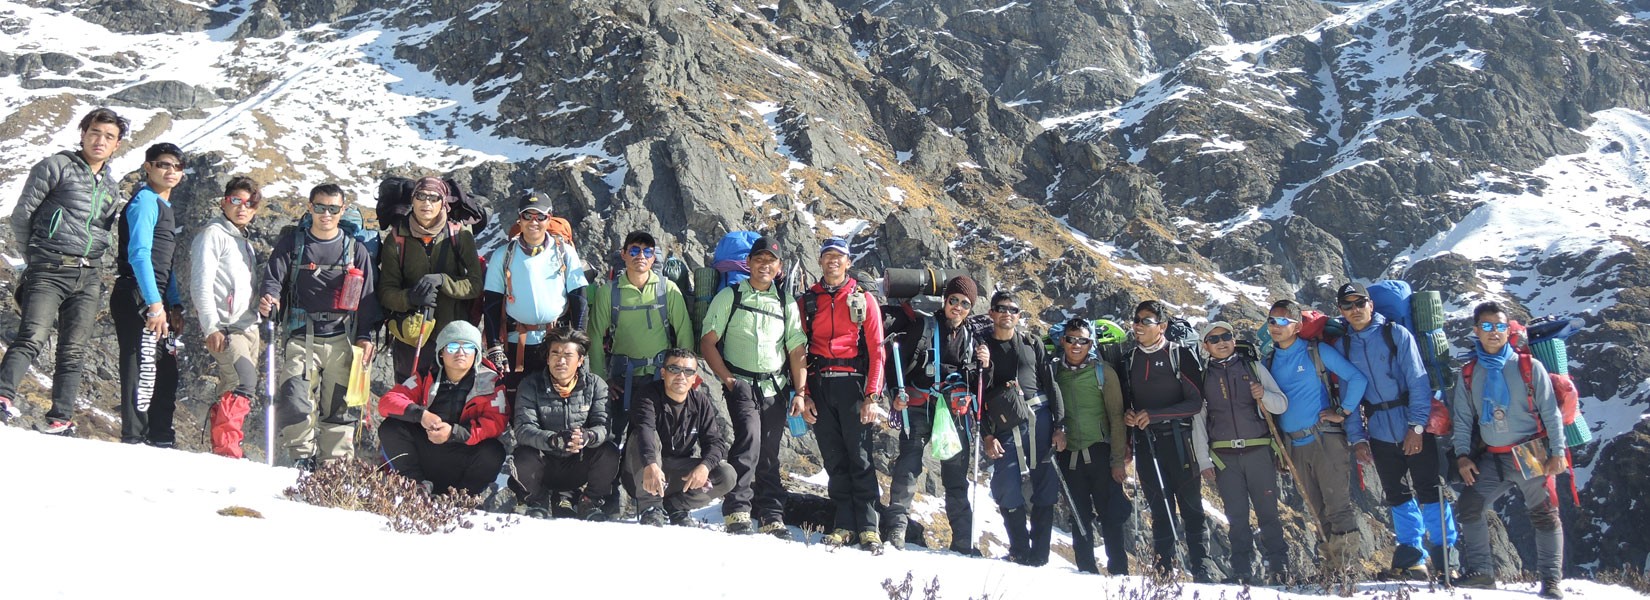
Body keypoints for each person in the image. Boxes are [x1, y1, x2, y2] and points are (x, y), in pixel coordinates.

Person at [0, 108, 128, 434]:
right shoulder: (55, 166)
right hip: (48, 267)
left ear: (117, 145)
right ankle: (3, 398)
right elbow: (21, 215)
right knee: (32, 336)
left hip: (88, 275)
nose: (100, 140)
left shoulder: (111, 187)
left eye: (108, 137)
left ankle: (61, 419)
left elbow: (102, 232)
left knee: (74, 350)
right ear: (83, 133)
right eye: (94, 132)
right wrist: (38, 256)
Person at [1335, 282, 1454, 579]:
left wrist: (1416, 427)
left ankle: (1446, 559)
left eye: (1359, 302)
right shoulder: (1344, 346)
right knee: (1397, 494)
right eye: (1347, 305)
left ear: (1370, 304)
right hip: (1378, 432)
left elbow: (1418, 382)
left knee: (1430, 491)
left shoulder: (1396, 334)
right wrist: (1357, 438)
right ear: (1341, 311)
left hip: (1412, 426)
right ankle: (1413, 559)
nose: (1355, 309)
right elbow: (1349, 397)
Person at [258, 184, 379, 469]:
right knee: (295, 399)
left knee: (338, 407)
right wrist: (270, 299)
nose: (326, 214)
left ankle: (332, 469)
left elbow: (368, 298)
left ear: (342, 209)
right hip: (301, 337)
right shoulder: (293, 244)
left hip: (342, 338)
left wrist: (365, 336)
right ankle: (302, 458)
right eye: (320, 207)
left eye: (333, 208)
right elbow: (273, 278)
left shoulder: (356, 250)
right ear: (310, 207)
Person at [1452, 302, 1566, 599]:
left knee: (1544, 514)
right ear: (1476, 331)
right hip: (1491, 455)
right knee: (1470, 506)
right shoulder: (1468, 374)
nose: (1494, 332)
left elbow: (1550, 412)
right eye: (1487, 326)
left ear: (1508, 330)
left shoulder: (1528, 367)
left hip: (1530, 452)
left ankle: (1551, 581)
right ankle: (1482, 573)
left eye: (1500, 326)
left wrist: (1558, 451)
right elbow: (1463, 419)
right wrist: (1463, 456)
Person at [700, 236, 808, 536]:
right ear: (748, 263)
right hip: (741, 384)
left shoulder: (785, 303)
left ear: (779, 266)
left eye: (770, 260)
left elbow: (797, 349)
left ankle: (771, 514)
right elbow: (708, 341)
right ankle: (737, 510)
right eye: (759, 259)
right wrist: (728, 379)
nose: (764, 264)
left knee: (770, 448)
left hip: (776, 386)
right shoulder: (730, 296)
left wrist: (799, 392)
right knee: (749, 438)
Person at [1263, 299, 1369, 575]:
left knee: (1337, 505)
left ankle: (1347, 570)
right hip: (1293, 445)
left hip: (1325, 440)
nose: (1275, 326)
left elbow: (1357, 379)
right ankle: (1331, 569)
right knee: (1317, 510)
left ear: (1297, 326)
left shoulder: (1316, 352)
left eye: (1283, 321)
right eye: (1272, 320)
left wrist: (1342, 412)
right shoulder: (1269, 360)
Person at [885, 275, 989, 555]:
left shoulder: (974, 339)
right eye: (953, 300)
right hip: (919, 406)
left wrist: (985, 365)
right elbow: (894, 363)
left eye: (964, 303)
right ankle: (896, 530)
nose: (957, 307)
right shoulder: (923, 326)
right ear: (945, 301)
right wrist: (895, 393)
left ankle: (963, 542)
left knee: (956, 479)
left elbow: (982, 382)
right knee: (907, 468)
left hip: (955, 415)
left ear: (970, 307)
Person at [796, 237, 887, 551]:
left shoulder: (864, 299)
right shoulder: (808, 301)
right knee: (835, 460)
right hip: (820, 387)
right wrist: (805, 395)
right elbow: (800, 352)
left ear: (849, 263)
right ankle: (844, 525)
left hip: (854, 386)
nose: (833, 260)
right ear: (820, 262)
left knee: (860, 458)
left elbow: (877, 350)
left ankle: (869, 528)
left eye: (840, 256)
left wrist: (872, 396)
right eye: (827, 256)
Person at [1120, 300, 1210, 581]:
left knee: (1192, 508)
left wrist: (1154, 415)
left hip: (1180, 444)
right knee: (1160, 511)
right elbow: (1127, 404)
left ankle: (1202, 571)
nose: (1138, 325)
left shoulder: (1179, 355)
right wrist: (1130, 417)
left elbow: (1195, 402)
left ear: (1162, 326)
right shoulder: (1129, 359)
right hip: (1147, 445)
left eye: (1146, 321)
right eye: (1136, 320)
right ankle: (1163, 574)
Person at [1194, 320, 1288, 584]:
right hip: (1224, 458)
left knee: (1268, 512)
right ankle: (1242, 573)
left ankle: (1280, 571)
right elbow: (1198, 423)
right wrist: (1203, 460)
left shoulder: (1254, 368)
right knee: (1237, 517)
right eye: (1214, 339)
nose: (1221, 342)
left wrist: (1264, 395)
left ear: (1234, 340)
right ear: (1205, 346)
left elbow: (1280, 404)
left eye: (1226, 336)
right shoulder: (1202, 377)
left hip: (1258, 451)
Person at [586, 230, 692, 454]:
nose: (640, 255)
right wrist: (601, 380)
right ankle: (608, 487)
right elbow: (594, 335)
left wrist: (684, 374)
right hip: (621, 379)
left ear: (653, 257)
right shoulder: (609, 292)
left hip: (660, 377)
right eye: (634, 250)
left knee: (651, 438)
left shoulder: (668, 289)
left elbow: (684, 332)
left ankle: (646, 487)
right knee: (610, 439)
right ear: (623, 254)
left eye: (647, 251)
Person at [980, 291, 1065, 566]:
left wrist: (1059, 425)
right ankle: (1020, 550)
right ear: (991, 313)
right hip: (1005, 426)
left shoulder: (1032, 342)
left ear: (1019, 315)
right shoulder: (981, 348)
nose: (1007, 313)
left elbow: (1051, 385)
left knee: (1045, 484)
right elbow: (977, 396)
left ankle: (1039, 556)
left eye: (1013, 309)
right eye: (1001, 308)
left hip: (1040, 418)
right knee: (1006, 485)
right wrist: (987, 435)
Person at [377, 321, 509, 495]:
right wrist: (421, 415)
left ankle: (462, 498)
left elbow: (496, 423)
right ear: (441, 352)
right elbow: (388, 401)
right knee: (391, 428)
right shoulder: (425, 376)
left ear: (476, 353)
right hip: (427, 449)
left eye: (468, 347)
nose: (461, 353)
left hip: (463, 452)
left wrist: (454, 432)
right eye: (453, 346)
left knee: (493, 452)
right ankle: (415, 487)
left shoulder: (491, 382)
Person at [112, 143, 187, 447]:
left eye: (177, 167)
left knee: (163, 370)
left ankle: (159, 437)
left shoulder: (162, 205)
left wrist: (175, 303)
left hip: (157, 298)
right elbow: (140, 254)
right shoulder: (145, 201)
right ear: (148, 167)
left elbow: (163, 264)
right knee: (141, 367)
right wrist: (154, 304)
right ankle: (135, 439)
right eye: (163, 165)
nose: (171, 171)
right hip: (138, 294)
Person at [378, 177, 484, 382]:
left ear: (443, 202)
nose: (427, 203)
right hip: (411, 334)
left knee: (447, 400)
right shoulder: (397, 238)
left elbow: (475, 284)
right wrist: (410, 297)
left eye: (434, 198)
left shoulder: (459, 235)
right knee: (409, 397)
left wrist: (444, 281)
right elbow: (385, 291)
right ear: (413, 199)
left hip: (452, 336)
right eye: (421, 196)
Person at [511, 328, 616, 520]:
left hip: (579, 461)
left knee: (609, 451)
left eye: (568, 355)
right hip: (545, 460)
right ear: (547, 358)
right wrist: (553, 440)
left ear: (580, 360)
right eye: (555, 354)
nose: (561, 361)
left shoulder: (596, 385)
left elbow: (603, 426)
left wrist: (587, 437)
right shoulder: (530, 385)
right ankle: (537, 500)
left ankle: (589, 501)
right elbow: (523, 429)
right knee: (522, 455)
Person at [194, 176, 266, 458]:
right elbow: (201, 283)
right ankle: (227, 449)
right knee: (242, 382)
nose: (242, 208)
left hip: (248, 325)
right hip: (226, 327)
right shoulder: (213, 234)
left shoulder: (242, 239)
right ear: (225, 201)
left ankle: (222, 444)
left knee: (232, 385)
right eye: (236, 200)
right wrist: (211, 325)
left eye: (249, 204)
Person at [1052, 317, 1130, 575]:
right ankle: (1086, 571)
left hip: (1101, 453)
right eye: (1072, 339)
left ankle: (1119, 572)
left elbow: (1117, 417)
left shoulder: (1103, 372)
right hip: (1069, 456)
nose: (1076, 345)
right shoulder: (1054, 373)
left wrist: (1118, 460)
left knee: (1111, 517)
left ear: (1091, 343)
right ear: (1063, 341)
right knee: (1078, 516)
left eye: (1083, 340)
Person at [625, 348, 737, 527]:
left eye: (688, 371)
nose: (681, 376)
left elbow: (715, 443)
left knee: (727, 474)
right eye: (674, 369)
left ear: (694, 378)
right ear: (663, 373)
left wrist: (704, 467)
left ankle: (675, 507)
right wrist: (651, 464)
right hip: (642, 473)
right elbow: (645, 432)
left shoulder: (700, 402)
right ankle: (650, 507)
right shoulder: (647, 396)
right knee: (645, 435)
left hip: (676, 474)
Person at [482, 192, 586, 381]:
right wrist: (494, 347)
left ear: (549, 218)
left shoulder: (565, 252)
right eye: (527, 216)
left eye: (540, 216)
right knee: (517, 399)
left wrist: (579, 343)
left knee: (557, 400)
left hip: (559, 342)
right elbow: (491, 304)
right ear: (519, 219)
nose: (534, 221)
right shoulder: (502, 256)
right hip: (516, 343)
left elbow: (579, 299)